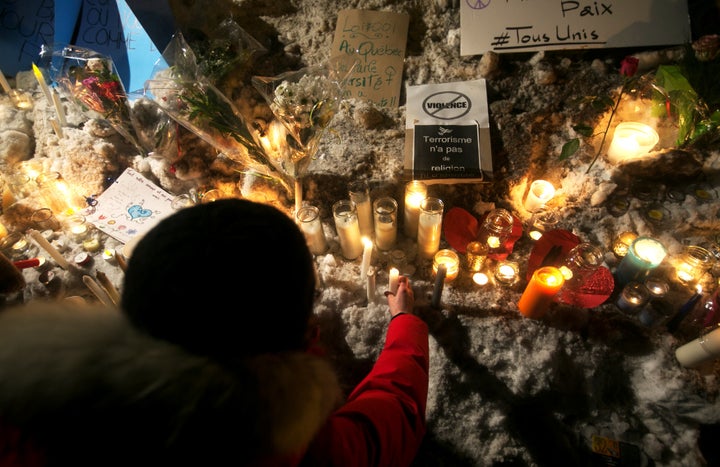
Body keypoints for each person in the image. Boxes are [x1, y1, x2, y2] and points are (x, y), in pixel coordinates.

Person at [0, 198, 429, 466]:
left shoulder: (26, 417)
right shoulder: (288, 449)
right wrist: (405, 324)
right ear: (300, 332)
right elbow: (386, 423)